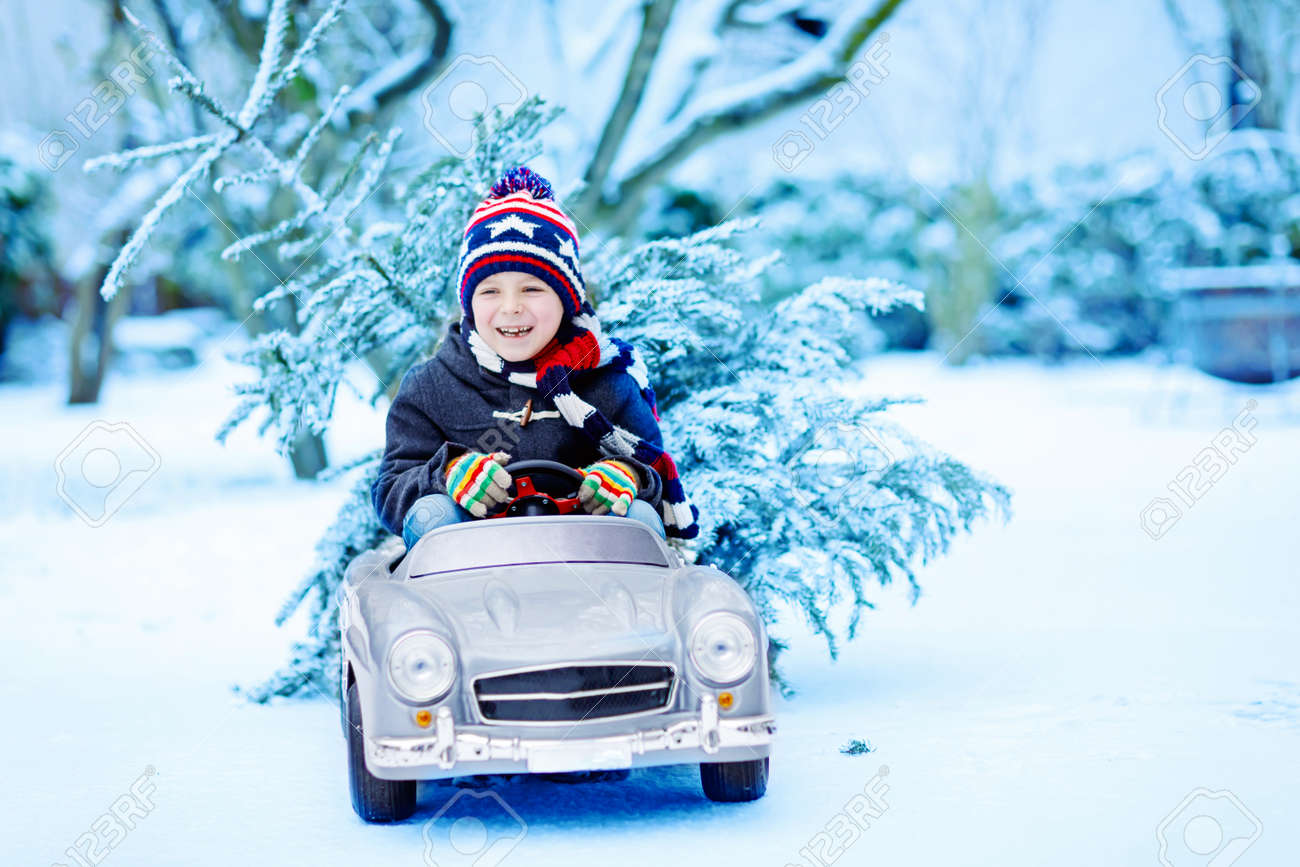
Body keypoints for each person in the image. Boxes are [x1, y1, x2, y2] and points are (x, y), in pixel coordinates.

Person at [371, 165, 700, 551]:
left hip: (593, 577)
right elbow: (392, 487)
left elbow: (650, 468)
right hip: (467, 582)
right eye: (490, 291)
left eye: (532, 289)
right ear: (469, 303)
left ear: (566, 300)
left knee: (639, 519)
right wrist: (447, 473)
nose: (511, 308)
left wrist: (625, 474)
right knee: (433, 515)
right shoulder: (432, 386)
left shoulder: (607, 383)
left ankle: (647, 605)